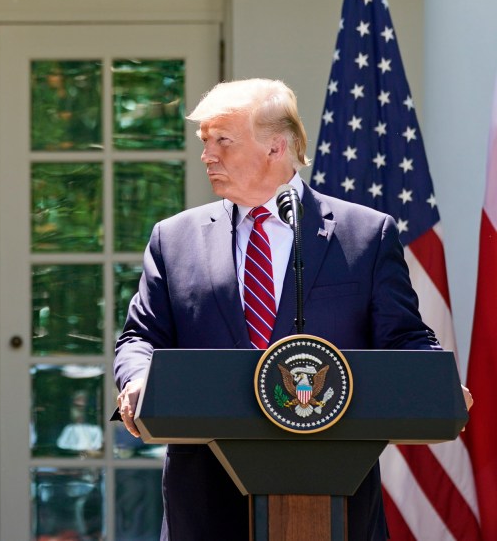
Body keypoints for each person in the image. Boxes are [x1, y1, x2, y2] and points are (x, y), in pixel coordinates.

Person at [114, 79, 472, 541]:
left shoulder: (365, 235)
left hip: (333, 491)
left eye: (222, 140)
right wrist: (139, 379)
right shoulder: (175, 238)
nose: (207, 156)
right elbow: (141, 337)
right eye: (205, 141)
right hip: (204, 497)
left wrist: (435, 383)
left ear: (276, 147)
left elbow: (403, 337)